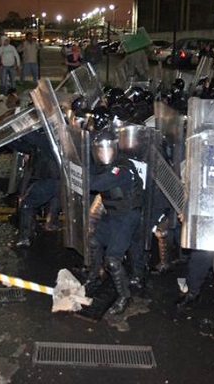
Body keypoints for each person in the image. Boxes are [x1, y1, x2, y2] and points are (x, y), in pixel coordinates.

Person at [85, 129, 143, 315]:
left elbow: (98, 183)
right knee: (94, 241)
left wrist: (76, 174)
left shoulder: (122, 168)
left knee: (113, 260)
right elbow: (92, 174)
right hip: (113, 215)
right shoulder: (101, 166)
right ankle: (95, 277)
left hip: (127, 217)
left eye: (107, 149)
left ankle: (124, 296)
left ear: (115, 148)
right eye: (100, 150)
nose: (104, 154)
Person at [10, 130, 61, 247]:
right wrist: (9, 141)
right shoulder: (53, 137)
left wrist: (18, 127)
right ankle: (52, 223)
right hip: (52, 177)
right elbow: (27, 147)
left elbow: (31, 137)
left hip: (50, 179)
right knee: (53, 199)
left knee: (27, 204)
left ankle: (24, 239)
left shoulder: (48, 139)